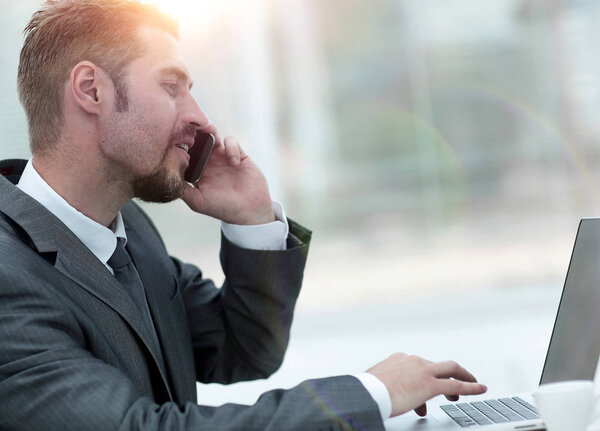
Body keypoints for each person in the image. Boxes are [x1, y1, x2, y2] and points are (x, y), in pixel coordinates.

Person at [0, 1, 487, 430]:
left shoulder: (130, 234)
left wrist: (252, 221)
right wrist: (371, 394)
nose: (200, 118)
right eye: (171, 86)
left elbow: (243, 350)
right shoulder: (8, 276)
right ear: (91, 90)